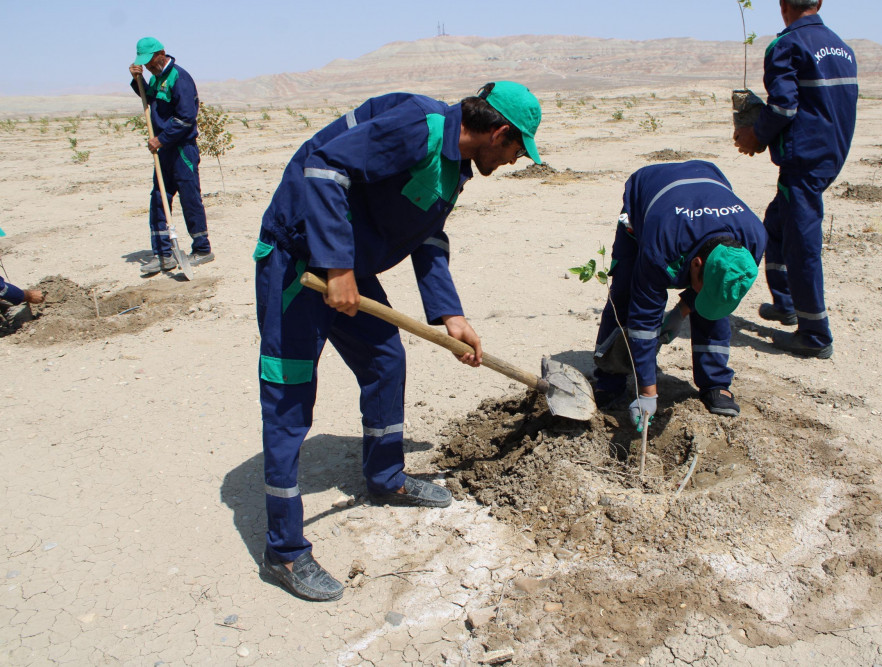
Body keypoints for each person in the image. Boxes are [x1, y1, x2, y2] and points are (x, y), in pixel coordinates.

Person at [254, 82, 542, 601]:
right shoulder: (419, 126)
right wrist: (337, 267)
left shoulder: (453, 167)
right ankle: (285, 551)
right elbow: (323, 168)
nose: (513, 160)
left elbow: (427, 236)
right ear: (498, 133)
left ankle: (386, 477)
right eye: (517, 150)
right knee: (289, 396)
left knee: (385, 358)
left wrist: (450, 314)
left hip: (347, 267)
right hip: (299, 260)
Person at [592, 161, 765, 424]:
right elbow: (644, 318)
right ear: (695, 264)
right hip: (648, 200)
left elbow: (721, 289)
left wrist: (682, 309)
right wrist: (648, 392)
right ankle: (610, 379)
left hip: (703, 184)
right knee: (625, 294)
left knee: (717, 296)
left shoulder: (753, 239)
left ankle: (715, 382)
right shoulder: (660, 247)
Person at [733, 0, 858, 358]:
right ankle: (786, 304)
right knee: (776, 224)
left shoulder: (787, 45)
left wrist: (756, 135)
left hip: (804, 160)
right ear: (818, 2)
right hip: (830, 155)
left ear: (782, 4)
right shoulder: (841, 47)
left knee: (802, 245)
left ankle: (815, 335)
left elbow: (784, 106)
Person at [128, 37, 214, 275]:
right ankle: (163, 254)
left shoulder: (179, 77)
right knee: (158, 198)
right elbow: (150, 100)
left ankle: (202, 249)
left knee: (189, 198)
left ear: (162, 54)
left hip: (181, 149)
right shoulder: (156, 78)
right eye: (143, 64)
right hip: (163, 151)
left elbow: (185, 118)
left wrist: (162, 138)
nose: (148, 66)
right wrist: (138, 80)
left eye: (150, 62)